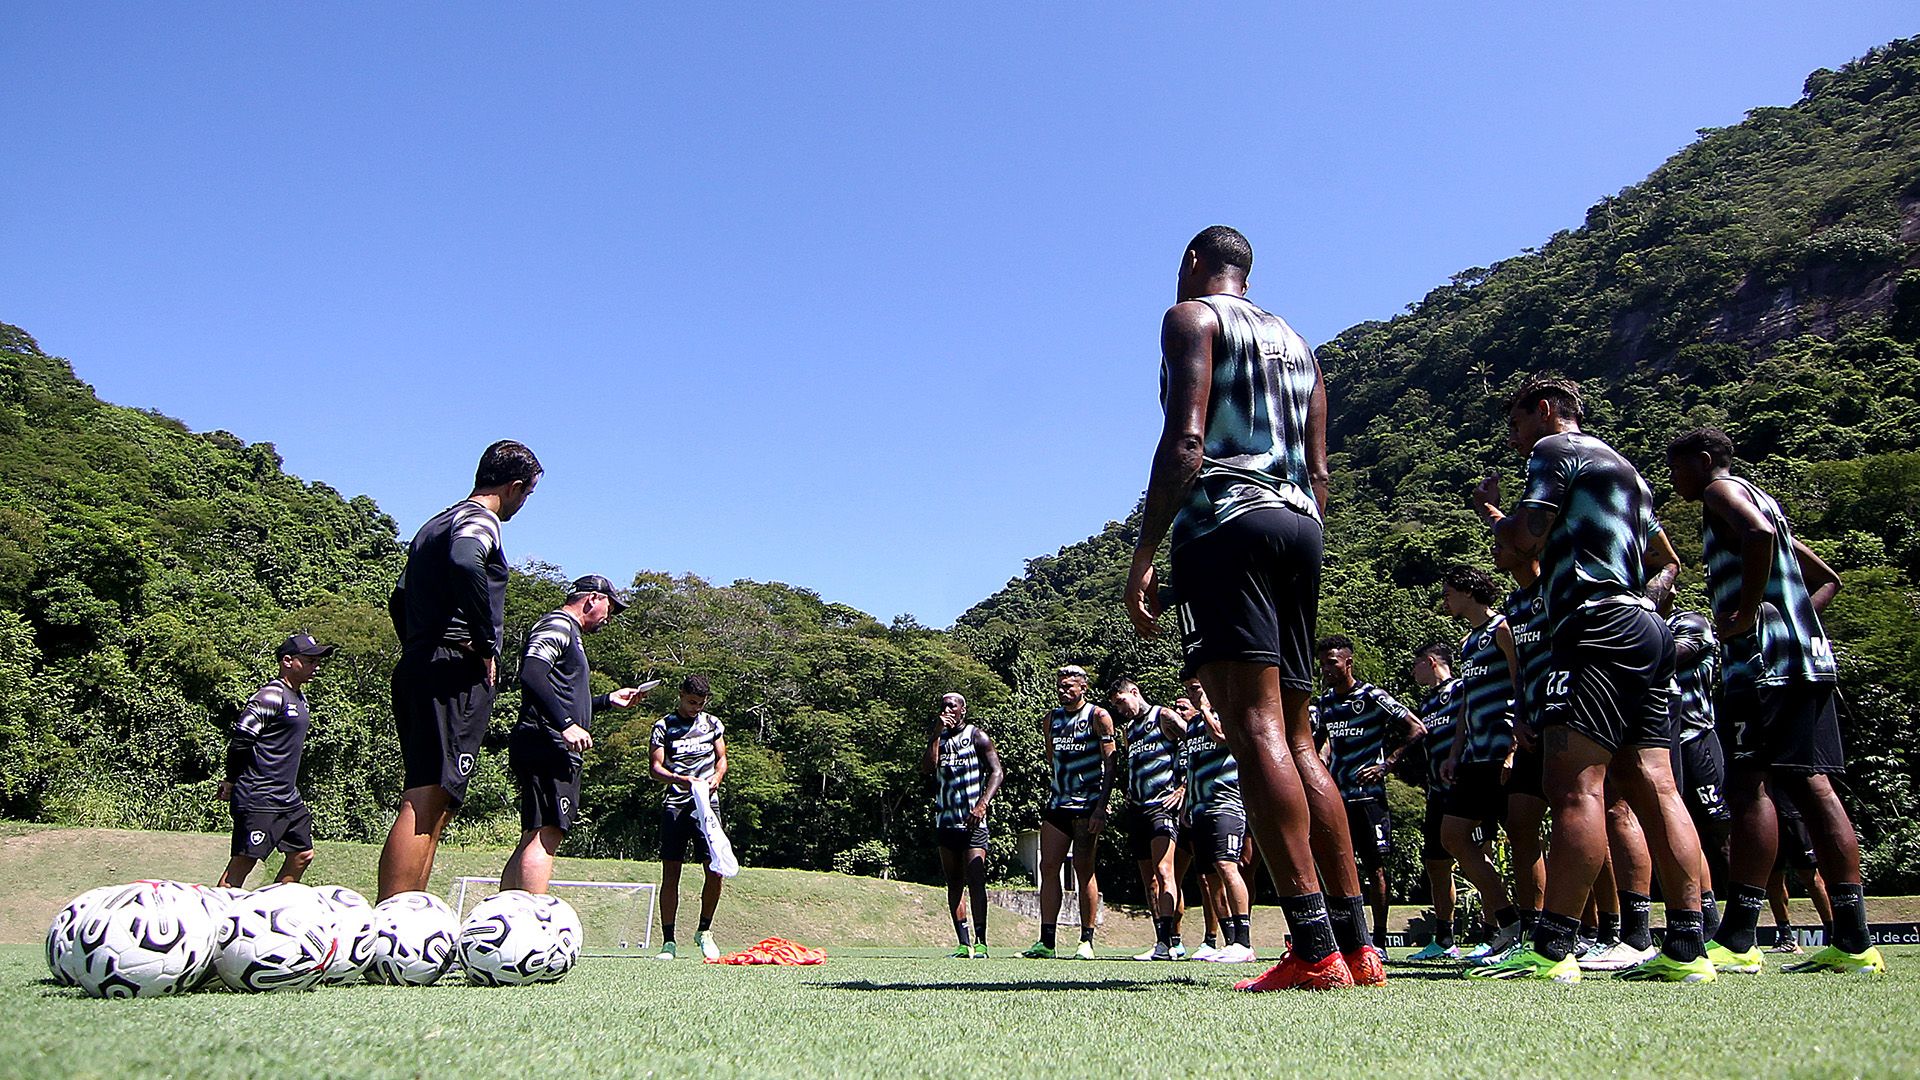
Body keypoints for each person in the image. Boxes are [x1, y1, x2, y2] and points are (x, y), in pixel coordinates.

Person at [1122, 225, 1370, 991]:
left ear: (1194, 263)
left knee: (1255, 727)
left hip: (1226, 523)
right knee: (1298, 737)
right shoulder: (1300, 344)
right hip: (1301, 526)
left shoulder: (1193, 318)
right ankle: (1359, 946)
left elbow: (1187, 443)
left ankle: (1311, 945)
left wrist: (1146, 552)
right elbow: (1322, 469)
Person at [1468, 376, 1708, 983]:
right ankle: (1686, 947)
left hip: (1591, 628)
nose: (1518, 437)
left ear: (1546, 409)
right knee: (1655, 783)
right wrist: (1646, 603)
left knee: (1575, 785)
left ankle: (1552, 949)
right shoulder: (1629, 471)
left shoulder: (1556, 452)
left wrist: (1496, 520)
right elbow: (1665, 561)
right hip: (1641, 629)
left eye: (1518, 420)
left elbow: (1520, 544)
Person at [1667, 426, 1881, 975]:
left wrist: (1748, 614)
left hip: (1763, 668)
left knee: (1749, 787)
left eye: (1679, 465)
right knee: (1813, 786)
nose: (1674, 478)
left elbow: (1758, 536)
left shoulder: (1722, 493)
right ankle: (1854, 942)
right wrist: (1795, 617)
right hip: (1807, 661)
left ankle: (1738, 938)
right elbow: (1825, 577)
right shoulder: (1766, 497)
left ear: (1705, 459)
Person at [378, 440, 542, 900]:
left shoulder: (433, 524)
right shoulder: (478, 519)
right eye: (527, 494)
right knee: (427, 798)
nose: (523, 503)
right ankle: (390, 924)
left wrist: (418, 642)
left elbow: (398, 597)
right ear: (512, 488)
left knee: (435, 796)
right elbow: (467, 558)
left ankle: (407, 920)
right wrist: (484, 641)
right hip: (452, 670)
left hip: (421, 662)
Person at [501, 576, 647, 894]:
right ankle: (528, 923)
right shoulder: (558, 624)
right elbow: (532, 672)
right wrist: (565, 724)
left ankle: (507, 918)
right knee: (547, 833)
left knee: (533, 834)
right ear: (593, 599)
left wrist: (607, 700)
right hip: (549, 744)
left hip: (542, 739)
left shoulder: (570, 634)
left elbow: (560, 692)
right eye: (611, 607)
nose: (611, 617)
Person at [1436, 565, 1527, 963]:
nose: (1445, 601)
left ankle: (1538, 929)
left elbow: (1522, 683)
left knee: (1523, 840)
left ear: (1468, 592)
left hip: (1503, 752)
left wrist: (1512, 749)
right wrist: (1455, 751)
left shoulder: (1502, 629)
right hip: (1473, 755)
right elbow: (1468, 701)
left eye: (1449, 593)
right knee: (1453, 835)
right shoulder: (1468, 640)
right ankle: (1509, 924)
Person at [1312, 635, 1424, 948]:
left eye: (1331, 662)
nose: (1326, 669)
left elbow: (1417, 728)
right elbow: (1321, 741)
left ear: (1348, 662)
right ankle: (1348, 937)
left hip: (1368, 797)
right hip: (1337, 798)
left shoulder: (1371, 696)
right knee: (1337, 865)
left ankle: (1380, 940)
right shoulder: (1326, 703)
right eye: (1321, 664)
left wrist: (1387, 764)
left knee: (1375, 866)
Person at [216, 632, 334, 888]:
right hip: (259, 795)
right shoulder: (270, 695)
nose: (316, 666)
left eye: (317, 661)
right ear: (288, 661)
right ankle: (218, 920)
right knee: (244, 862)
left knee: (302, 855)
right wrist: (231, 780)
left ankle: (268, 909)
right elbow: (241, 741)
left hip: (287, 796)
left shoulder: (300, 698)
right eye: (310, 660)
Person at [1402, 643, 1492, 961]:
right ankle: (1444, 938)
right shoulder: (1426, 703)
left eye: (1417, 665)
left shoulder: (1461, 690)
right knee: (1436, 863)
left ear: (1430, 662)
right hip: (1437, 793)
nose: (1413, 672)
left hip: (1467, 786)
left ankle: (1493, 933)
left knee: (1480, 854)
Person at [1022, 666, 1117, 960]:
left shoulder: (1098, 716)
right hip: (1058, 803)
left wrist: (1102, 806)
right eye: (1060, 685)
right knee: (1048, 867)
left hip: (1088, 805)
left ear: (1083, 688)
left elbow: (1112, 762)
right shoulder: (1051, 719)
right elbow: (1052, 756)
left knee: (1083, 870)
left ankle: (1086, 940)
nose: (1063, 690)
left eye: (1069, 686)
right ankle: (1046, 941)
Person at [1108, 679, 1191, 961]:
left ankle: (1171, 941)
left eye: (1121, 701)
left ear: (1134, 692)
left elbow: (1195, 745)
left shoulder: (1164, 716)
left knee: (1164, 871)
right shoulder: (1129, 730)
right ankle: (1160, 940)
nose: (1120, 709)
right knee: (1149, 881)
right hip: (1138, 809)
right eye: (1115, 705)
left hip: (1162, 807)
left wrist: (1183, 788)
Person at [1177, 677, 1256, 964]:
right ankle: (1230, 940)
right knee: (1210, 880)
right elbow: (1190, 765)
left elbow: (1223, 737)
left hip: (1226, 806)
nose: (1192, 693)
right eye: (1188, 689)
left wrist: (1207, 710)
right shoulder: (1194, 726)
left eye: (1196, 688)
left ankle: (1245, 942)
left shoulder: (1224, 714)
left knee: (1227, 866)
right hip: (1198, 810)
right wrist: (1186, 803)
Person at [651, 675, 729, 961]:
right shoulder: (664, 726)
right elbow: (655, 768)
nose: (695, 707)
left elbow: (721, 758)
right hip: (675, 804)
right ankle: (668, 941)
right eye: (691, 702)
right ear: (681, 695)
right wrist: (678, 778)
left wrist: (717, 777)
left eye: (701, 703)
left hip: (707, 807)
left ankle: (704, 931)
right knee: (672, 873)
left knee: (715, 869)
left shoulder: (713, 724)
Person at [921, 692, 1004, 958]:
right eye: (943, 704)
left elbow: (997, 772)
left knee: (976, 879)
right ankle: (963, 942)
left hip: (972, 822)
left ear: (962, 710)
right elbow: (928, 768)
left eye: (952, 705)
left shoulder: (976, 736)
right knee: (954, 882)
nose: (947, 709)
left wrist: (982, 805)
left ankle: (981, 941)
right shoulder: (940, 739)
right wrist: (936, 733)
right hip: (945, 820)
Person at [1667, 607, 1731, 937]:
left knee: (1715, 833)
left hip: (1697, 739)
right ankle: (1706, 918)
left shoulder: (1690, 622)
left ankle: (1737, 923)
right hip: (1665, 743)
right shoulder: (1653, 625)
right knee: (1679, 827)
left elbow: (1663, 657)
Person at [1766, 782, 1834, 954]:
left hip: (1793, 815)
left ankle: (1835, 935)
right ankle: (1786, 939)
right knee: (1773, 878)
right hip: (1767, 816)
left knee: (1810, 876)